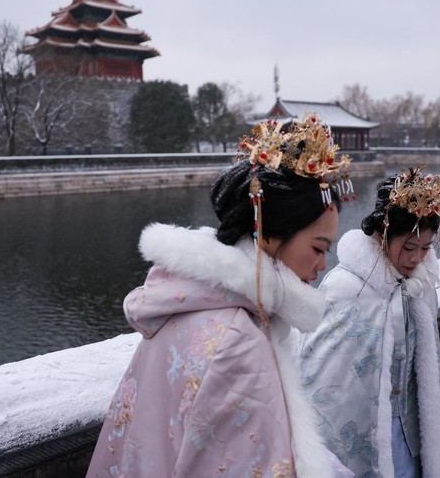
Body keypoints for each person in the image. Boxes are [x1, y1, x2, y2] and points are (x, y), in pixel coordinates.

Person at [86, 113, 355, 477]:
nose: (323, 265)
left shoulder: (193, 299)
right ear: (268, 235)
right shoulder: (237, 341)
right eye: (319, 248)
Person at [300, 166, 440, 477]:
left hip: (410, 430)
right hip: (361, 426)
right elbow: (321, 373)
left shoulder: (421, 287)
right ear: (383, 234)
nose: (417, 258)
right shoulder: (346, 287)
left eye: (425, 248)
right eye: (409, 247)